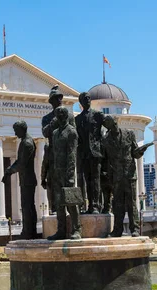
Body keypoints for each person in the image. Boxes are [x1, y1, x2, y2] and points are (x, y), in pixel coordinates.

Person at [101, 115, 151, 237]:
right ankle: (117, 229)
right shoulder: (106, 140)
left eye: (108, 123)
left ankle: (134, 229)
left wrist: (140, 151)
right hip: (116, 176)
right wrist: (106, 175)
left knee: (131, 202)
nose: (107, 126)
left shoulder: (129, 134)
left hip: (129, 174)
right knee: (117, 203)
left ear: (114, 123)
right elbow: (106, 160)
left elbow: (134, 153)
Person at [47, 107, 81, 240]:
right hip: (56, 172)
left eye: (62, 115)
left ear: (66, 116)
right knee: (59, 203)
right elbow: (54, 154)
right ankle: (61, 230)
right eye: (58, 115)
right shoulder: (55, 133)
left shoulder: (72, 132)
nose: (60, 117)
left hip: (68, 173)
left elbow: (72, 155)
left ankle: (77, 229)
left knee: (71, 202)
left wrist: (70, 175)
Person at [42, 85, 75, 213]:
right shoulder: (47, 118)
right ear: (51, 101)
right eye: (56, 98)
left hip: (66, 155)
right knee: (53, 185)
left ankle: (71, 211)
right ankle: (55, 210)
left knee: (68, 185)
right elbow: (45, 133)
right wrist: (55, 120)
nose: (59, 100)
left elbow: (74, 136)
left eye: (60, 97)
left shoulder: (70, 117)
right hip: (53, 155)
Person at [2, 120, 38, 239]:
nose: (15, 134)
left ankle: (29, 232)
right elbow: (19, 161)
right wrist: (9, 170)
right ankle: (28, 230)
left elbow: (22, 164)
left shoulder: (27, 143)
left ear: (22, 129)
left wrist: (10, 171)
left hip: (27, 179)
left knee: (27, 206)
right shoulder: (24, 142)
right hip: (25, 179)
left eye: (16, 131)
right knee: (27, 206)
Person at [75, 92, 104, 214]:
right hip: (84, 154)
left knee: (96, 180)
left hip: (95, 153)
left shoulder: (98, 115)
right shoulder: (77, 119)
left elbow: (104, 132)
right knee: (87, 180)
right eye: (84, 99)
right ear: (80, 103)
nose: (87, 100)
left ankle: (96, 205)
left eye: (88, 98)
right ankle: (89, 206)